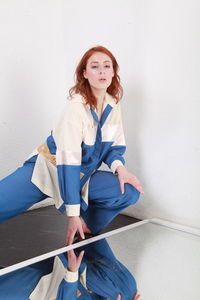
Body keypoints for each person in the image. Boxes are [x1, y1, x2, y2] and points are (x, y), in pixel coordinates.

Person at [0, 46, 144, 244]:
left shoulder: (113, 105)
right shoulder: (75, 110)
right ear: (84, 74)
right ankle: (77, 219)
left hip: (82, 176)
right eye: (95, 66)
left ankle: (86, 227)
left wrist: (120, 169)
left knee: (129, 191)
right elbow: (68, 164)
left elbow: (113, 148)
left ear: (113, 72)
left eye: (106, 66)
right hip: (47, 170)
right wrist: (72, 214)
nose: (101, 71)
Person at [0, 239, 140, 299]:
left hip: (44, 288)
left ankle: (90, 233)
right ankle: (90, 232)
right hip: (60, 270)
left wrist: (72, 274)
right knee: (127, 291)